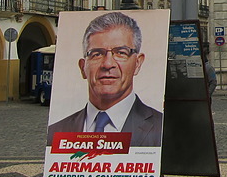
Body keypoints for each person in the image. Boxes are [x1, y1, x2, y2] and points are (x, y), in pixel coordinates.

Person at [46, 12, 163, 146]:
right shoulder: (57, 131)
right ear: (83, 67)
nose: (108, 64)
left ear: (137, 63)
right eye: (97, 54)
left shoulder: (161, 128)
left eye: (121, 53)